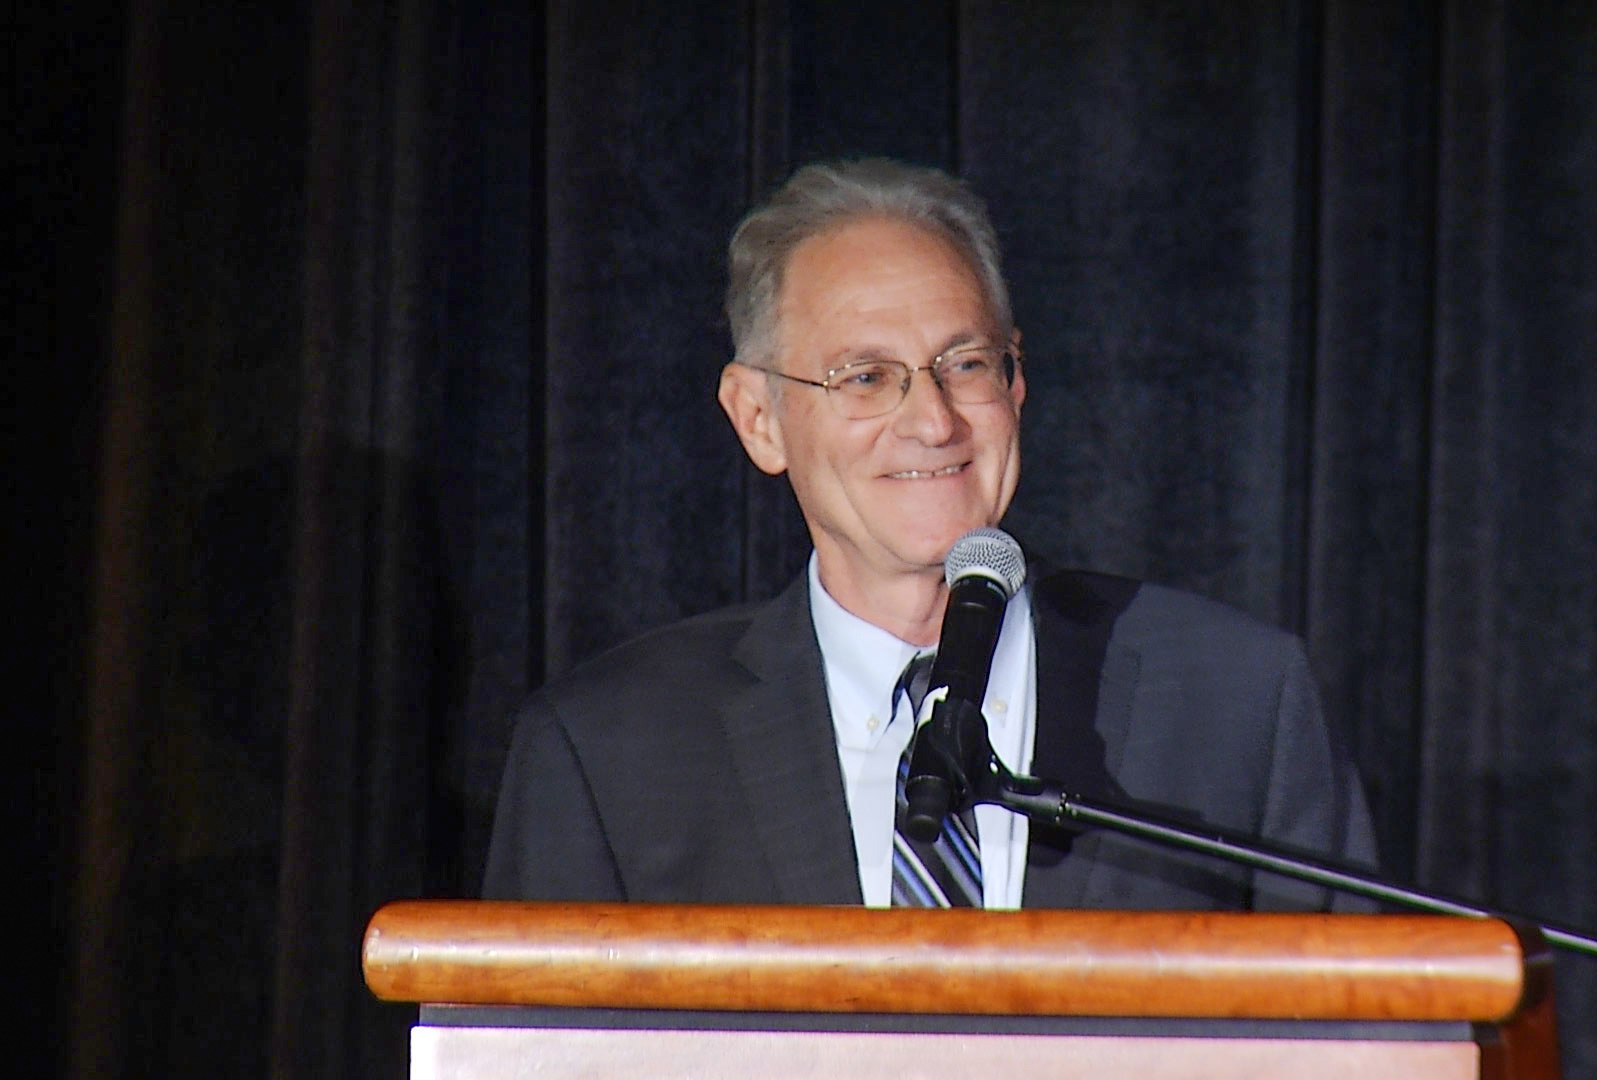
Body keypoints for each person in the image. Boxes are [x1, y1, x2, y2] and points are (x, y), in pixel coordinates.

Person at [483, 157, 1375, 911]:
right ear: (758, 418)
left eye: (966, 365)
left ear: (1016, 385)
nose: (934, 421)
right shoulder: (608, 750)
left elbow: (1369, 1039)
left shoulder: (1241, 704)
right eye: (866, 377)